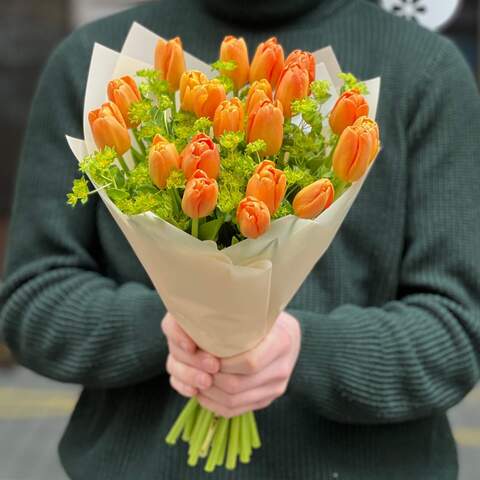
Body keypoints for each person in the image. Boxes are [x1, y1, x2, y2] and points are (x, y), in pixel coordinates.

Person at [1, 0, 479, 478]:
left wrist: (304, 351)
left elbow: (460, 330)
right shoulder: (95, 63)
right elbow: (32, 301)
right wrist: (173, 326)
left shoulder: (424, 71)